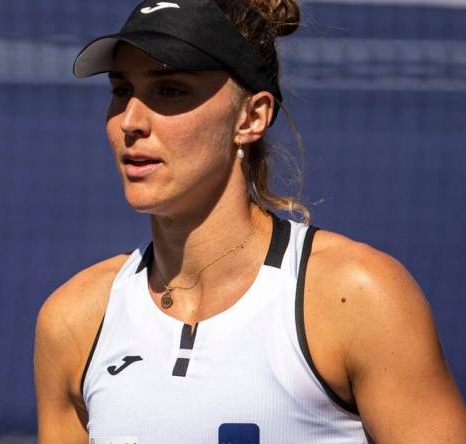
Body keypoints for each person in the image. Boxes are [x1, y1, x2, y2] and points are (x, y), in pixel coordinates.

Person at [34, 1, 465, 443]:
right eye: (121, 90)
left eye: (171, 90)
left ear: (252, 116)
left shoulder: (357, 297)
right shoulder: (74, 320)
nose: (130, 122)